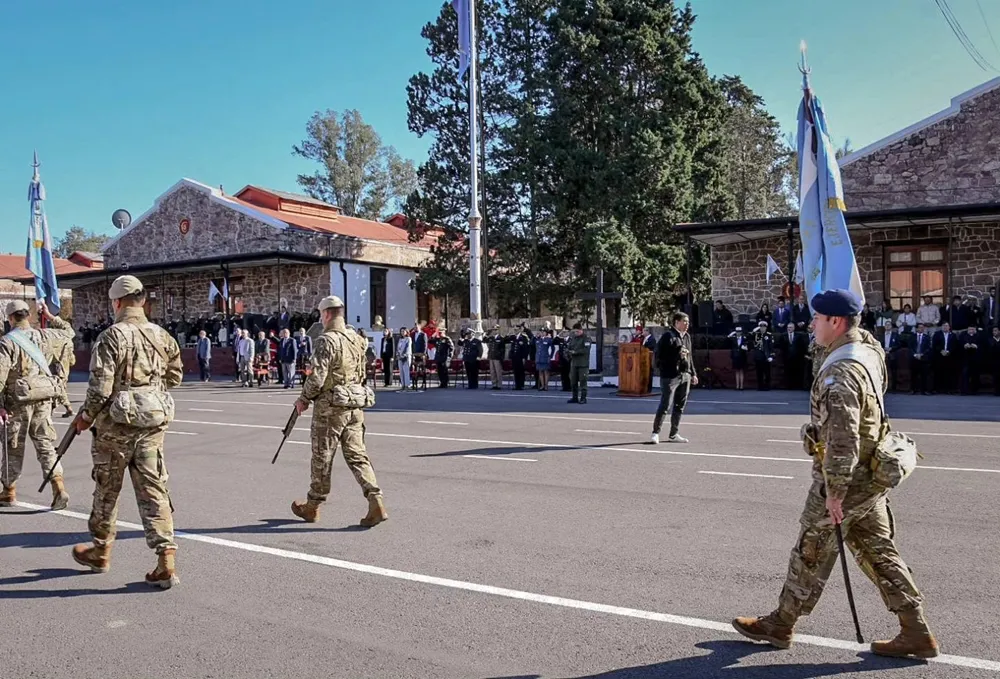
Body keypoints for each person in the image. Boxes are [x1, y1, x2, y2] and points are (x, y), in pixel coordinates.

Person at [733, 289, 938, 660]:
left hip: (847, 479)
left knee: (810, 547)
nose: (812, 325)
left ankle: (781, 623)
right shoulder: (868, 349)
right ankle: (915, 630)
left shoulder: (841, 374)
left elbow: (842, 440)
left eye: (817, 319)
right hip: (872, 474)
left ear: (836, 322)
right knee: (878, 552)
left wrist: (835, 492)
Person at [70, 275, 184, 588]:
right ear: (143, 301)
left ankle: (101, 552)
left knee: (107, 490)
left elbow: (100, 388)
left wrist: (86, 417)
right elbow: (175, 376)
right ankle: (166, 560)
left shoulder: (111, 336)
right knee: (154, 489)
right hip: (152, 426)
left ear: (117, 302)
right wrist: (148, 390)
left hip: (115, 430)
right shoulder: (161, 335)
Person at [290, 295, 386, 527]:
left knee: (322, 456)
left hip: (330, 409)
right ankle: (376, 500)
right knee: (357, 455)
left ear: (326, 314)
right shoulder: (357, 338)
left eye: (321, 315)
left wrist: (303, 399)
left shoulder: (326, 340)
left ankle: (312, 506)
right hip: (354, 404)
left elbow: (318, 378)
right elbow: (363, 370)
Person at [0, 300, 76, 509]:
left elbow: (0, 375)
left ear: (10, 318)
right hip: (43, 398)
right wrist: (52, 318)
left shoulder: (7, 342)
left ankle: (9, 491)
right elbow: (69, 332)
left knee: (13, 447)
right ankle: (58, 487)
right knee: (45, 445)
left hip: (17, 402)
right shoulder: (45, 335)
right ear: (28, 316)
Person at [648, 311, 697, 444]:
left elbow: (690, 356)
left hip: (684, 375)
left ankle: (673, 434)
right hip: (670, 376)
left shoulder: (687, 336)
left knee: (680, 405)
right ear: (676, 322)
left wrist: (693, 373)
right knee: (665, 404)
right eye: (684, 321)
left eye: (688, 322)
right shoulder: (668, 336)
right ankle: (655, 432)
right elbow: (659, 356)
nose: (687, 324)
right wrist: (677, 354)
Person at [566, 323, 591, 404]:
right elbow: (569, 347)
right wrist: (567, 352)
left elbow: (586, 350)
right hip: (574, 363)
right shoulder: (573, 338)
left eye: (577, 331)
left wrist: (575, 352)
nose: (575, 333)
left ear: (581, 330)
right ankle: (574, 397)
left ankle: (583, 398)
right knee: (573, 381)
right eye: (574, 332)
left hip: (583, 364)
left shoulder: (586, 338)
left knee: (583, 381)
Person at [728, 326, 749, 391]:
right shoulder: (733, 339)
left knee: (741, 371)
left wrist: (745, 348)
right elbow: (727, 338)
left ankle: (741, 386)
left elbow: (747, 347)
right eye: (737, 332)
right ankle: (737, 386)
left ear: (741, 332)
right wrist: (732, 333)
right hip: (735, 357)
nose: (738, 333)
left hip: (742, 357)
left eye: (739, 332)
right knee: (737, 371)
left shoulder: (744, 338)